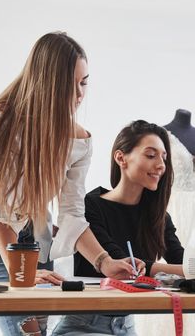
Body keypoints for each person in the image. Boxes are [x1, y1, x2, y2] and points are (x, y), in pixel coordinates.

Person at [0, 32, 142, 336]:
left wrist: (105, 262)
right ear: (47, 84)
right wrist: (23, 277)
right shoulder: (2, 121)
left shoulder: (79, 140)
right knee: (27, 333)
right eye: (70, 85)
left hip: (33, 239)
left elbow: (71, 214)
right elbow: (0, 216)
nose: (80, 95)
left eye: (84, 83)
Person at [51, 120, 184, 336]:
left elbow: (184, 262)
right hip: (84, 324)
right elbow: (124, 267)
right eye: (151, 155)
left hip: (126, 326)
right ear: (121, 158)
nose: (161, 165)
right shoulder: (90, 206)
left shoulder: (158, 216)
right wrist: (184, 270)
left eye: (163, 158)